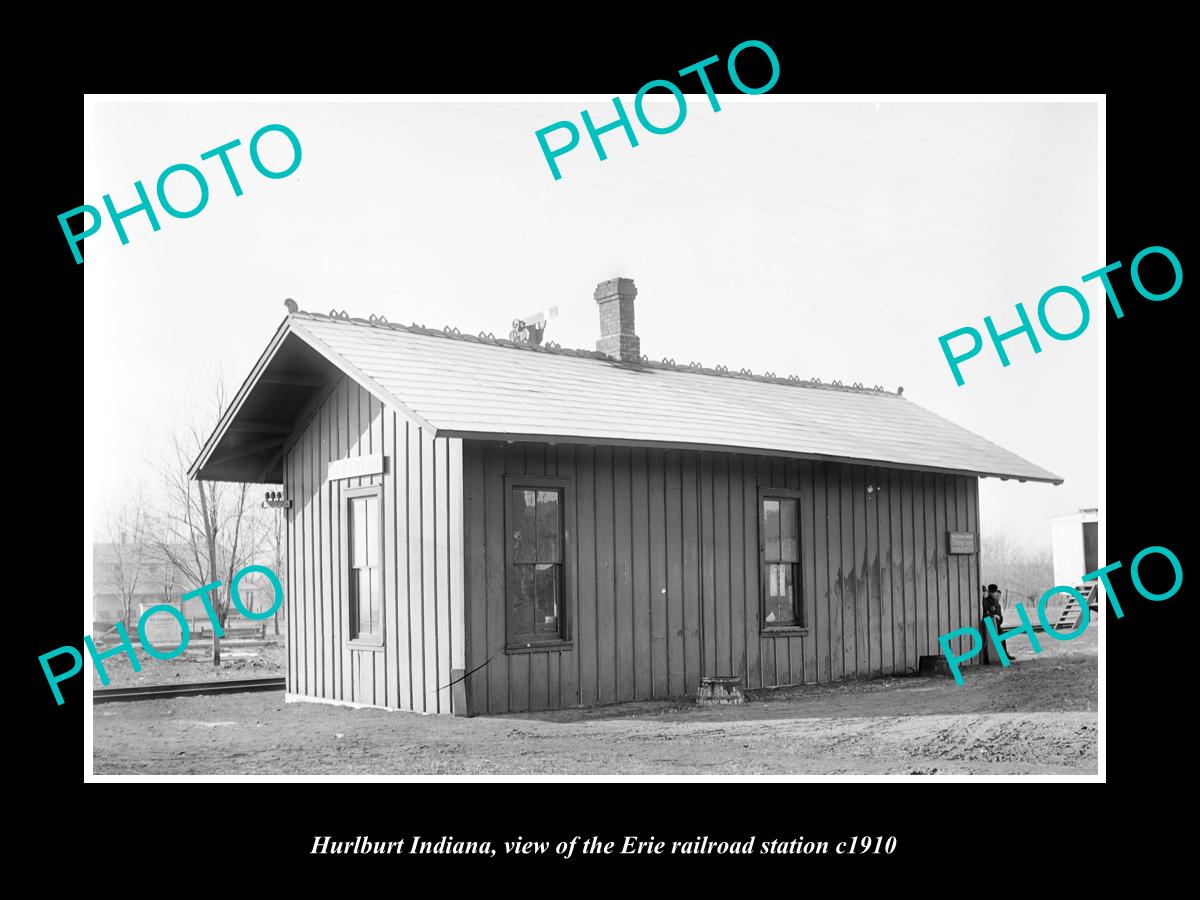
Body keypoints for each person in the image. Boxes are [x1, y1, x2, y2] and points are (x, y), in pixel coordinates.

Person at [982, 583, 1014, 661]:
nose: (994, 593)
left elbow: (999, 614)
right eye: (992, 592)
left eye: (995, 592)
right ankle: (1001, 655)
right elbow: (985, 613)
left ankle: (1004, 654)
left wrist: (999, 618)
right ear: (989, 592)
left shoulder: (996, 601)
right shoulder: (986, 601)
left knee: (1002, 637)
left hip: (997, 623)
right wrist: (994, 616)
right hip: (991, 624)